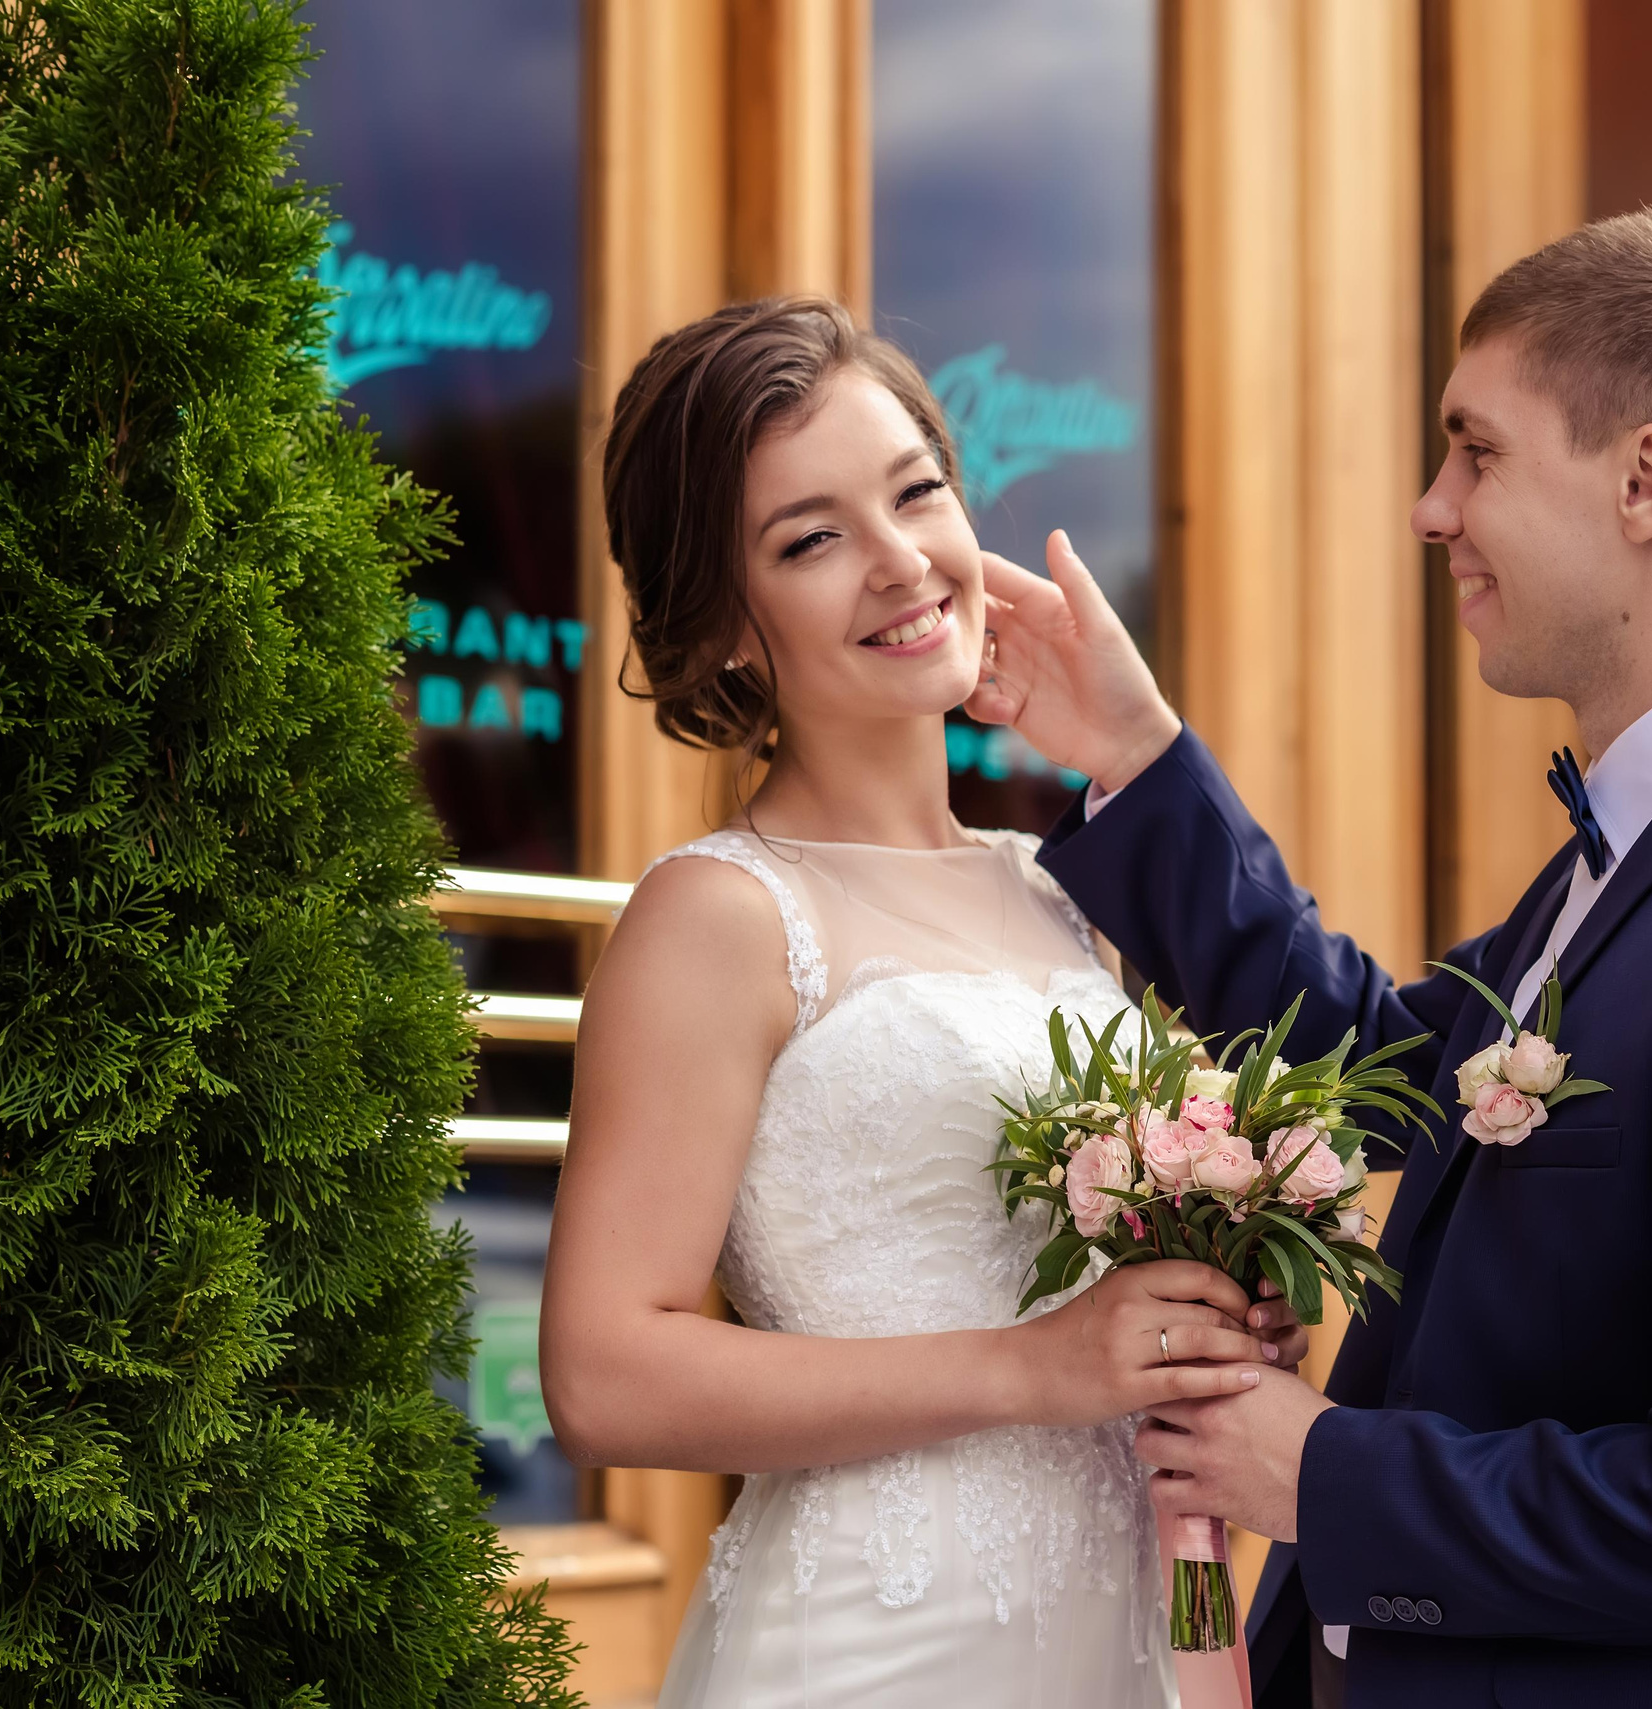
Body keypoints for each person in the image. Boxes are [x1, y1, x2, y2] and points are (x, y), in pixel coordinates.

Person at [967, 208, 1652, 1709]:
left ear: (1648, 480)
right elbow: (1372, 1067)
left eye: (1478, 452)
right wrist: (1134, 754)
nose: (1430, 509)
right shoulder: (1650, 849)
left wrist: (1321, 1470)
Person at [536, 297, 1307, 1709]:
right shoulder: (719, 913)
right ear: (721, 632)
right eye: (811, 539)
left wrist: (1209, 1318)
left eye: (918, 493)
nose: (902, 563)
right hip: (879, 1648)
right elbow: (601, 1371)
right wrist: (1036, 1366)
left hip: (1119, 1628)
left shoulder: (1057, 889)